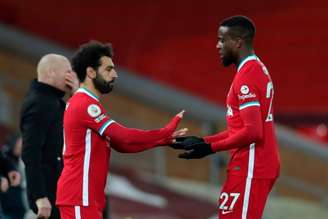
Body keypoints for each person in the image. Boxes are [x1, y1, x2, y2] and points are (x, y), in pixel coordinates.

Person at [56, 41, 187, 219]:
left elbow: (121, 145)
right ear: (90, 72)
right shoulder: (84, 104)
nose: (115, 74)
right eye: (109, 69)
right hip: (80, 196)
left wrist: (163, 141)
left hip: (86, 197)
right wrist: (165, 131)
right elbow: (124, 136)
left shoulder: (88, 104)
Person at [173, 16, 280, 219]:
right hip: (251, 165)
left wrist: (211, 148)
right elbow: (241, 129)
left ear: (238, 41)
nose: (217, 45)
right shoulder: (254, 69)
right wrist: (204, 141)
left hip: (251, 166)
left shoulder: (248, 75)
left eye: (222, 40)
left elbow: (253, 132)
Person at [20, 54, 79, 219]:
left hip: (62, 193)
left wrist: (76, 94)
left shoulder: (53, 101)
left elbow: (77, 124)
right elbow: (31, 152)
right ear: (52, 72)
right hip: (48, 197)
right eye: (67, 72)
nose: (71, 77)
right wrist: (39, 196)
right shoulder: (39, 102)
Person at [0, 133, 27, 219]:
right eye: (19, 144)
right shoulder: (7, 155)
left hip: (19, 206)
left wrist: (11, 169)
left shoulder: (19, 160)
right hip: (7, 206)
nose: (20, 146)